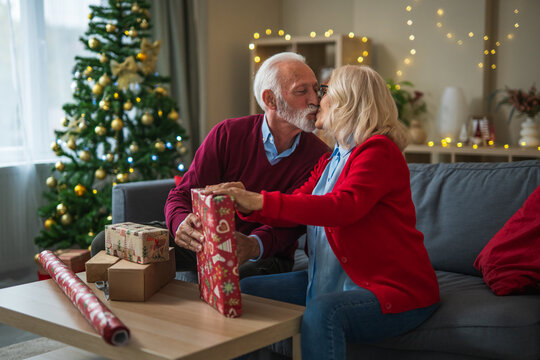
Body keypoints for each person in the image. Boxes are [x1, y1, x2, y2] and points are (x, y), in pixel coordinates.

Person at [205, 65, 440, 360]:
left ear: (348, 100)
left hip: (391, 290)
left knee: (323, 312)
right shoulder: (332, 158)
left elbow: (342, 207)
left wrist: (256, 200)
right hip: (333, 280)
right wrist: (243, 202)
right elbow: (295, 205)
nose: (316, 100)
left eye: (324, 90)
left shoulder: (379, 151)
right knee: (244, 291)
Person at [163, 52, 330, 277]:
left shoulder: (320, 156)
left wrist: (252, 245)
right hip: (206, 239)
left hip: (264, 254)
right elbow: (182, 193)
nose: (315, 100)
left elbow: (293, 223)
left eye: (316, 89)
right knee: (106, 242)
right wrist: (180, 224)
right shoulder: (228, 134)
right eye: (302, 91)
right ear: (270, 100)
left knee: (237, 280)